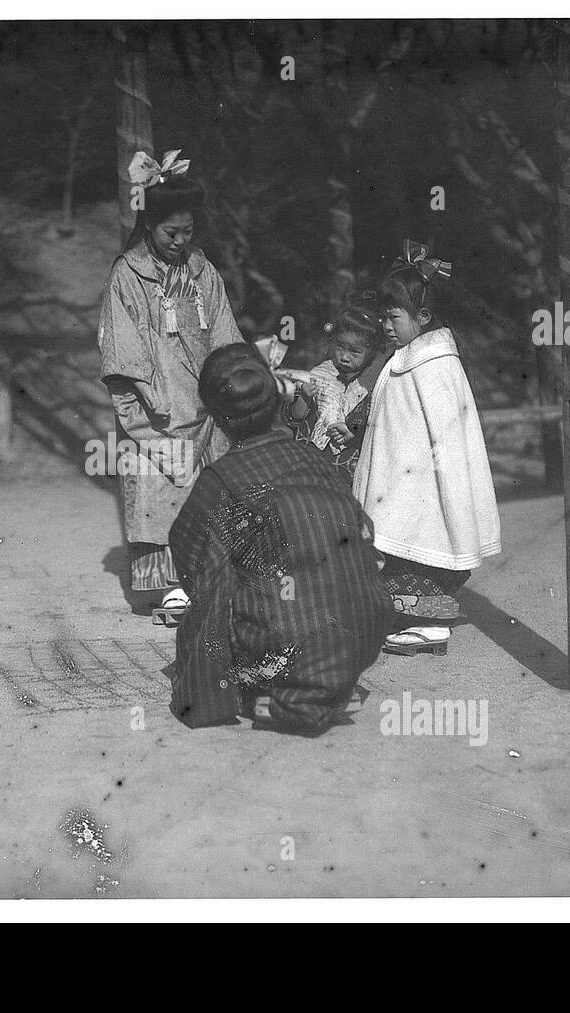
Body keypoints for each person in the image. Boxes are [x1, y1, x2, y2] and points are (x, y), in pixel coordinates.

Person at [169, 345, 391, 735]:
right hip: (363, 631)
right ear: (275, 405)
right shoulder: (315, 459)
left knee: (210, 593)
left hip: (287, 641)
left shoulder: (221, 479)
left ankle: (271, 693)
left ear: (219, 419)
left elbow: (191, 558)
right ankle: (326, 680)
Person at [96, 148, 247, 623]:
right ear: (147, 226)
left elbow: (224, 336)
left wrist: (233, 380)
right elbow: (124, 353)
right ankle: (168, 588)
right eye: (170, 233)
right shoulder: (129, 275)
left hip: (205, 407)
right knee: (159, 493)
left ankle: (204, 579)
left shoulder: (204, 272)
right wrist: (152, 405)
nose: (180, 242)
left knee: (207, 494)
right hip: (156, 411)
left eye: (188, 232)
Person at [352, 241, 501, 656]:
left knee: (423, 549)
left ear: (423, 317)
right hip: (402, 481)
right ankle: (409, 615)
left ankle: (431, 625)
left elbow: (449, 437)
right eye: (382, 315)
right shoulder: (404, 358)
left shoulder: (435, 366)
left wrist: (439, 485)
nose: (385, 324)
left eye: (393, 316)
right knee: (399, 551)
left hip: (426, 487)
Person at [283, 290, 394, 478]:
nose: (344, 356)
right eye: (340, 346)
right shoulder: (322, 373)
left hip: (348, 470)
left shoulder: (373, 385)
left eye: (354, 352)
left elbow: (374, 423)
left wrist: (354, 431)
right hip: (310, 462)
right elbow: (295, 417)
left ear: (373, 350)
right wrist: (305, 397)